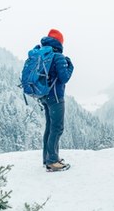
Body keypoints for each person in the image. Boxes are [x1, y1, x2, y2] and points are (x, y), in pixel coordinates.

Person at [39, 29, 74, 172]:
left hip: (44, 95)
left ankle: (47, 158)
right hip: (56, 97)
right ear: (60, 42)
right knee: (57, 128)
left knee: (49, 127)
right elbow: (64, 77)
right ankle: (52, 161)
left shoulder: (43, 53)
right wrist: (70, 65)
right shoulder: (58, 56)